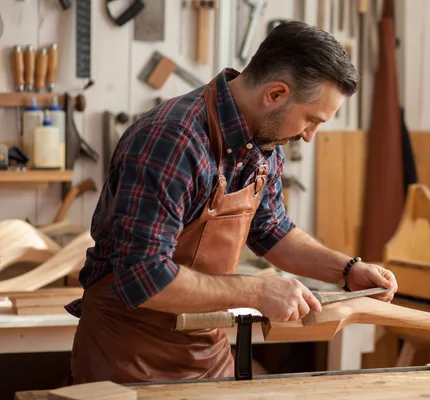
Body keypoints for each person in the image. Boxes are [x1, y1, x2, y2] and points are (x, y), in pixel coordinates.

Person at [66, 20, 398, 384]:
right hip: (126, 353)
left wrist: (347, 270)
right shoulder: (173, 141)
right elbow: (144, 278)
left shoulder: (264, 146)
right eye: (311, 120)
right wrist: (257, 290)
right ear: (275, 94)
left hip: (204, 348)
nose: (308, 136)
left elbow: (272, 230)